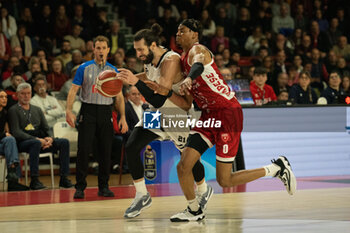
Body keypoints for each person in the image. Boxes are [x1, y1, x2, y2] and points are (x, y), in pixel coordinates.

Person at [171, 19, 296, 222]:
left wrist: (188, 79)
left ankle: (276, 168)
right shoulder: (180, 59)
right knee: (184, 165)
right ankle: (194, 210)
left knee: (225, 180)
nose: (178, 34)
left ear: (194, 34)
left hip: (228, 114)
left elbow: (198, 66)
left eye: (182, 31)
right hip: (208, 116)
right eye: (176, 31)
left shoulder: (198, 50)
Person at [117, 23, 211, 218]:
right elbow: (149, 77)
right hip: (157, 113)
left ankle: (203, 189)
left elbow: (159, 97)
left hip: (177, 114)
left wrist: (135, 83)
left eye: (141, 49)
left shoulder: (171, 60)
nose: (138, 54)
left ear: (152, 45)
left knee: (189, 159)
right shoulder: (149, 60)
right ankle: (142, 194)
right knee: (132, 145)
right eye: (136, 50)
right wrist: (126, 77)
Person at [66, 35, 128, 199]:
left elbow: (119, 96)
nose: (101, 51)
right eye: (98, 48)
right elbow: (73, 90)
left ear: (108, 50)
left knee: (105, 151)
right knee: (83, 150)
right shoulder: (84, 68)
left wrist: (122, 117)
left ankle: (104, 186)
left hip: (106, 111)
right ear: (93, 49)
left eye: (103, 48)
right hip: (88, 111)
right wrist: (68, 110)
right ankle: (80, 187)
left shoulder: (114, 71)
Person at [8, 83, 73, 190]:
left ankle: (64, 178)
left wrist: (49, 138)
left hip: (40, 140)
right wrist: (36, 139)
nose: (26, 96)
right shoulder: (13, 110)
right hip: (23, 142)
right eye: (23, 94)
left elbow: (46, 128)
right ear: (17, 95)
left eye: (28, 93)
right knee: (36, 143)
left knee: (64, 142)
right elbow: (16, 132)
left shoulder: (37, 109)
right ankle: (34, 180)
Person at [0, 89, 29, 191]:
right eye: (1, 97)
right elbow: (5, 134)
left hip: (3, 144)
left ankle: (13, 180)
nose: (4, 99)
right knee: (10, 140)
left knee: (11, 141)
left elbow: (8, 131)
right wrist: (4, 135)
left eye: (6, 97)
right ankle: (13, 180)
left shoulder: (4, 112)